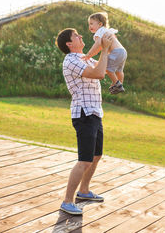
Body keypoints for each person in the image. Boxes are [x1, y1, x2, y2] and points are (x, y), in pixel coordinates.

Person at [55, 28, 113, 215]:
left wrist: (108, 43)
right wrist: (103, 50)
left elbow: (105, 66)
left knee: (96, 156)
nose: (81, 37)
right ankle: (67, 201)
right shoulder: (71, 60)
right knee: (84, 161)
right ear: (70, 44)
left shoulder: (84, 58)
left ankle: (84, 191)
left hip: (94, 113)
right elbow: (98, 74)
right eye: (76, 36)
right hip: (84, 114)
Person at [84, 12, 127, 94]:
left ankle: (117, 85)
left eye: (91, 24)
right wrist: (93, 54)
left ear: (100, 24)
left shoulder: (99, 32)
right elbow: (100, 48)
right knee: (119, 71)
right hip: (122, 51)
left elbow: (97, 45)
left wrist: (88, 54)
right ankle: (119, 83)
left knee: (107, 69)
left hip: (116, 52)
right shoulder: (106, 31)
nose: (90, 27)